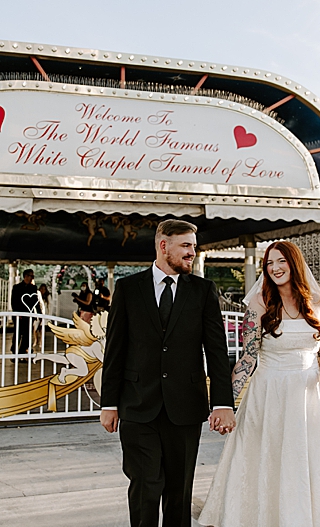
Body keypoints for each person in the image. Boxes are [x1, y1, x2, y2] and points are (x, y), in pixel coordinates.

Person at [196, 239, 320, 526]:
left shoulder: (316, 302)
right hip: (268, 394)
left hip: (307, 397)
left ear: (294, 263)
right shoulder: (258, 303)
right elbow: (248, 358)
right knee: (265, 462)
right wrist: (224, 403)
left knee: (311, 464)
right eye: (270, 263)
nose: (276, 268)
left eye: (281, 261)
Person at [100, 219, 235, 527]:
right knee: (145, 486)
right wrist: (109, 404)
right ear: (164, 246)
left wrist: (223, 404)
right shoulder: (128, 288)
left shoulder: (203, 291)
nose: (192, 253)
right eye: (186, 246)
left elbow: (216, 351)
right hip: (136, 406)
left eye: (193, 246)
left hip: (185, 407)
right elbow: (115, 351)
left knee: (178, 493)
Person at [11, 268, 45, 359]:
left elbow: (35, 301)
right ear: (25, 276)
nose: (32, 278)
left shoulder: (33, 288)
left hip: (29, 315)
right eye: (31, 276)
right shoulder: (17, 287)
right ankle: (14, 350)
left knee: (27, 334)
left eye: (33, 276)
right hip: (19, 315)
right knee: (18, 333)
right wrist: (17, 312)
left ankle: (23, 350)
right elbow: (14, 302)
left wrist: (39, 313)